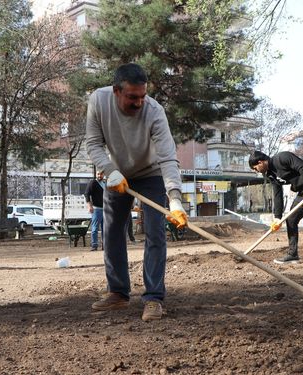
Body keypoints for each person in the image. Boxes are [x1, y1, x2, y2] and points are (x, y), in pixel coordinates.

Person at [85, 63, 187, 321]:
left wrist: (175, 198)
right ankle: (118, 293)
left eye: (142, 96)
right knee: (112, 230)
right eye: (132, 97)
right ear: (116, 91)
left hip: (151, 173)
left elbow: (167, 157)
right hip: (117, 174)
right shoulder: (98, 101)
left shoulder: (154, 111)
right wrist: (110, 170)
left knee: (154, 231)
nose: (139, 102)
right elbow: (93, 143)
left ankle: (153, 297)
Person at [85, 170, 105, 251]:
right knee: (95, 228)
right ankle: (94, 245)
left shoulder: (105, 184)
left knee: (105, 229)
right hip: (97, 209)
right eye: (98, 174)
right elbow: (87, 194)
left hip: (105, 209)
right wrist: (89, 206)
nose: (99, 175)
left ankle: (105, 245)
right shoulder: (93, 183)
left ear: (104, 174)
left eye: (101, 174)